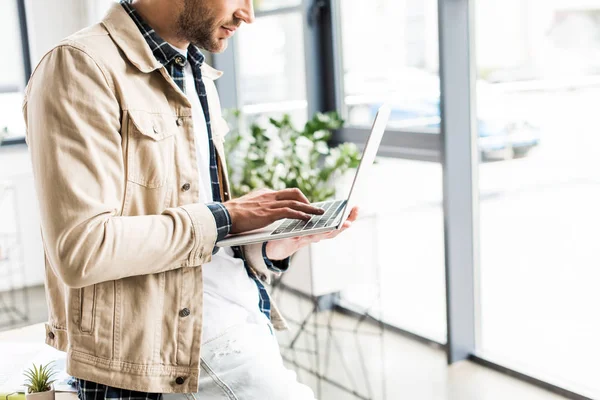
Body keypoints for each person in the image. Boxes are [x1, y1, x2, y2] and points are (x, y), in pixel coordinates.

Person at [23, 0, 358, 399]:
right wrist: (227, 217)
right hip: (168, 359)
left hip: (243, 326)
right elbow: (82, 249)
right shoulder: (80, 67)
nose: (248, 14)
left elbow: (200, 243)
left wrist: (264, 245)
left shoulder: (193, 68)